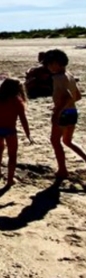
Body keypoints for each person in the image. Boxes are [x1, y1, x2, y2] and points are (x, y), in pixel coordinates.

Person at [0, 78, 32, 187]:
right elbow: (23, 119)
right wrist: (28, 134)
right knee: (12, 155)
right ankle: (10, 179)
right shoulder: (16, 100)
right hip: (10, 130)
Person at [45, 49, 86, 180]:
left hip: (63, 113)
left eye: (49, 64)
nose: (48, 67)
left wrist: (57, 111)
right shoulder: (70, 75)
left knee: (55, 141)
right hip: (72, 111)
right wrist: (62, 105)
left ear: (56, 63)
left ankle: (62, 170)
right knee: (68, 141)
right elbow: (77, 96)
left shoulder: (58, 77)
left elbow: (67, 96)